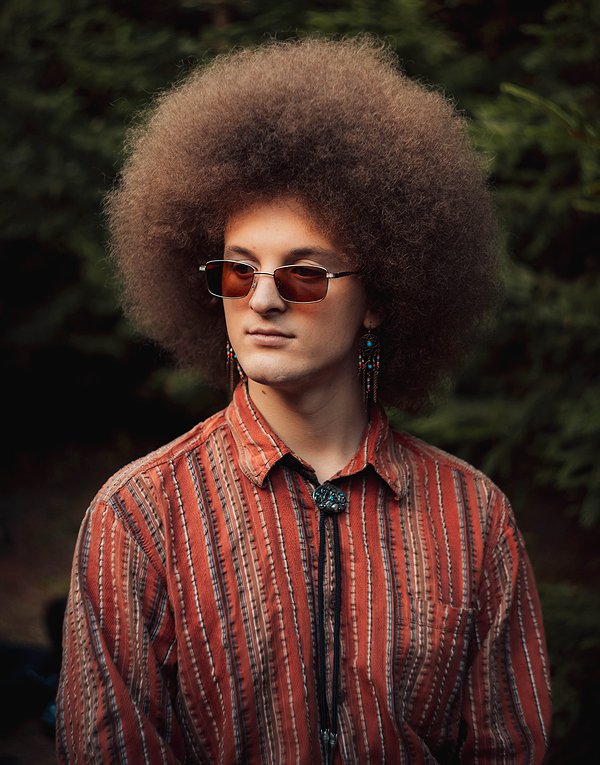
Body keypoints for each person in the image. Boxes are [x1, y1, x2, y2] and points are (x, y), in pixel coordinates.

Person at [56, 37, 551, 764]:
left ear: (379, 297)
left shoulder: (473, 520)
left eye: (304, 274)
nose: (262, 300)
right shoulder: (139, 516)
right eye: (238, 271)